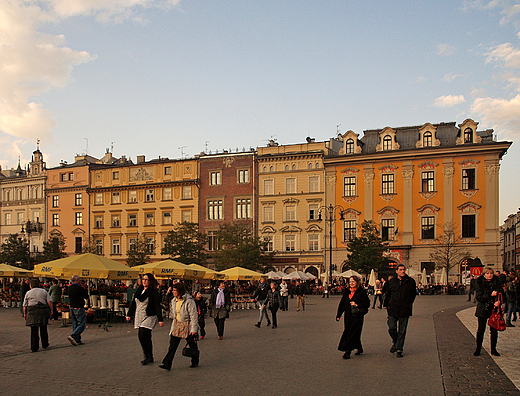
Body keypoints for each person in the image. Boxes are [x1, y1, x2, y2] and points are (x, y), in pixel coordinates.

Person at [159, 283, 199, 370]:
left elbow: (193, 316)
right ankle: (167, 363)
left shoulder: (189, 301)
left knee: (192, 344)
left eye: (174, 290)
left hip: (187, 325)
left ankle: (195, 360)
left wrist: (194, 329)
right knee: (172, 345)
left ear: (179, 291)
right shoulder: (174, 301)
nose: (173, 292)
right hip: (177, 325)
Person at [127, 273, 164, 365]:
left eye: (147, 280)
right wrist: (129, 314)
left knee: (143, 333)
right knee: (143, 337)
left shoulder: (153, 292)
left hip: (149, 315)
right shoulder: (139, 290)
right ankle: (147, 355)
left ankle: (148, 356)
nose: (144, 281)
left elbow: (157, 306)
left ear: (150, 281)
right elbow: (134, 303)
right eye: (143, 279)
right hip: (139, 314)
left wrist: (160, 319)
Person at [382, 264, 417, 358]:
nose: (403, 271)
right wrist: (387, 304)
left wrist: (408, 303)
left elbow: (413, 294)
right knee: (392, 328)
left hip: (405, 309)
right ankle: (396, 341)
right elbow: (386, 293)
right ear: (396, 271)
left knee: (402, 330)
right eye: (401, 270)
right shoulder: (391, 282)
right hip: (392, 309)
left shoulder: (410, 281)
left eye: (404, 269)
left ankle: (399, 349)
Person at [336, 276, 370, 359]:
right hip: (348, 316)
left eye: (353, 281)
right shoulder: (347, 292)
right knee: (350, 332)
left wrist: (357, 304)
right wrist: (339, 315)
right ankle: (359, 347)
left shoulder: (361, 292)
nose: (351, 283)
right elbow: (342, 303)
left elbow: (367, 303)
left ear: (357, 282)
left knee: (352, 332)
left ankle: (347, 351)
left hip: (357, 316)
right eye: (350, 281)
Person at [474, 267, 504, 356]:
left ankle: (493, 349)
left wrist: (499, 301)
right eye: (487, 273)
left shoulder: (497, 283)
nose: (489, 275)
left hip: (494, 309)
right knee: (481, 330)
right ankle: (478, 348)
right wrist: (490, 295)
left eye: (491, 273)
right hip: (483, 309)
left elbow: (502, 295)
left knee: (494, 330)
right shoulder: (480, 283)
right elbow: (479, 297)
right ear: (484, 274)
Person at [23, 279, 52, 352]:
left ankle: (34, 347)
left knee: (34, 330)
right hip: (42, 310)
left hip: (32, 311)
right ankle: (45, 344)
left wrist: (25, 313)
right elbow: (49, 302)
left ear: (31, 285)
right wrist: (51, 310)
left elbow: (24, 305)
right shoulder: (44, 291)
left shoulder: (28, 293)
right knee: (43, 328)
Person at [67, 275, 89, 346]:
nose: (80, 281)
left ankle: (77, 339)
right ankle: (73, 336)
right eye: (79, 279)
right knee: (82, 324)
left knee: (75, 324)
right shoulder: (80, 288)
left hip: (72, 307)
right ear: (77, 280)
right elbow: (86, 296)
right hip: (79, 306)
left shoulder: (69, 288)